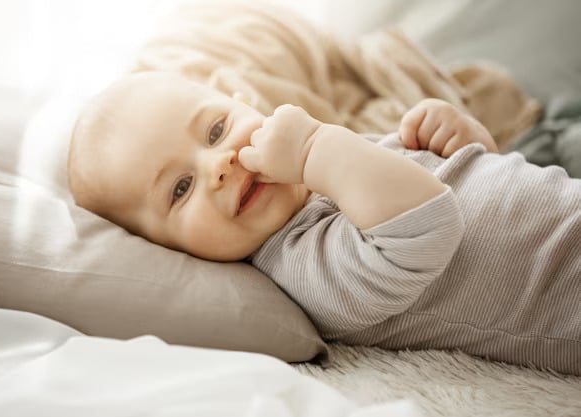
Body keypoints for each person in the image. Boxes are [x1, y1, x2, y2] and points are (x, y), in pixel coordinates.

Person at [68, 71, 581, 375]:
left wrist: (462, 141)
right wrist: (315, 147)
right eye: (180, 189)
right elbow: (427, 230)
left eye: (216, 129)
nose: (218, 164)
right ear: (166, 249)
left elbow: (473, 188)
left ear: (244, 102)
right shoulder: (300, 268)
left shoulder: (320, 177)